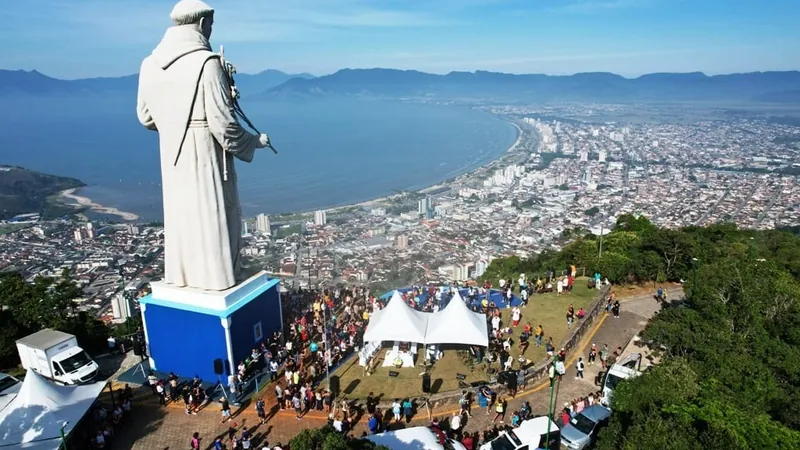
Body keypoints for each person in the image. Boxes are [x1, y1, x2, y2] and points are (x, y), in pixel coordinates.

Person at [136, 0, 274, 291]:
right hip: (204, 155)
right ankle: (217, 278)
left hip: (172, 156)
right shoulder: (207, 63)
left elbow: (146, 117)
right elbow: (224, 126)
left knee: (183, 216)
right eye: (210, 24)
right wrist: (256, 142)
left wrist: (176, 119)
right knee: (212, 214)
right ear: (201, 23)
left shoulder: (149, 64)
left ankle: (185, 275)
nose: (210, 31)